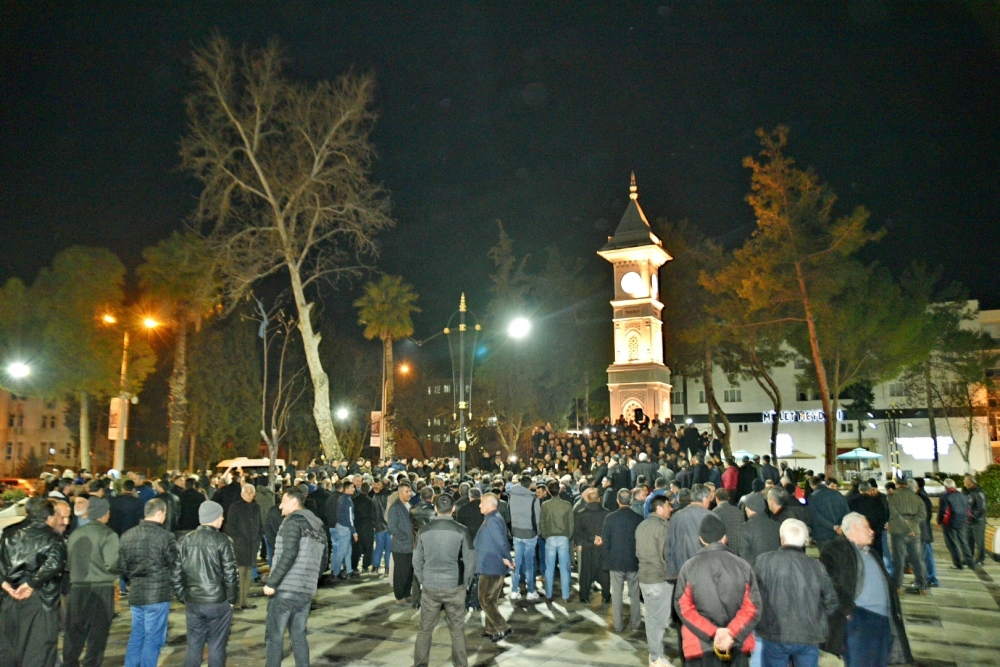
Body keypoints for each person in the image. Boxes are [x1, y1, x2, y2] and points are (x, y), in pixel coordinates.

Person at [820, 512, 911, 667]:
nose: (872, 531)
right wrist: (848, 610)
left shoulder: (871, 552)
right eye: (867, 527)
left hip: (883, 619)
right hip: (860, 617)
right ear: (855, 527)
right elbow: (828, 581)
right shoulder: (836, 547)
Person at [673, 514, 761, 667]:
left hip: (700, 646)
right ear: (724, 537)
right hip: (735, 645)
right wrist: (731, 633)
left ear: (701, 539)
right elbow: (752, 607)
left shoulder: (689, 567)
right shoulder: (743, 565)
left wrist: (713, 632)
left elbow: (684, 607)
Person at [753, 519, 838, 667]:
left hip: (774, 632)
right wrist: (818, 618)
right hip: (808, 634)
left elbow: (752, 595)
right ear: (805, 541)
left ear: (782, 538)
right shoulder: (816, 566)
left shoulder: (763, 561)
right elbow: (831, 600)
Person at [263, 487, 328, 667]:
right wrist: (308, 578)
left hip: (286, 589)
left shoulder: (292, 522)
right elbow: (323, 561)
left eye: (283, 501)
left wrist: (272, 582)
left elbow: (289, 553)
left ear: (293, 502)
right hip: (306, 591)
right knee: (298, 636)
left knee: (274, 637)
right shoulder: (318, 527)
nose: (280, 506)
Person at [0, 497, 67, 667]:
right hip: (40, 598)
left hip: (9, 597)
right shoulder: (52, 537)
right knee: (39, 652)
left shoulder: (8, 532)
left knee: (9, 648)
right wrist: (31, 583)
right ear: (50, 517)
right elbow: (54, 563)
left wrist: (4, 583)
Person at [413, 493, 476, 667]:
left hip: (430, 585)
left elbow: (416, 560)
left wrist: (422, 580)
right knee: (457, 629)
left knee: (425, 629)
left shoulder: (424, 530)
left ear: (435, 509)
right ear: (453, 509)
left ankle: (420, 664)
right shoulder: (461, 530)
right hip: (454, 585)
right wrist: (466, 584)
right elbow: (470, 560)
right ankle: (461, 664)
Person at [176, 500, 239, 667]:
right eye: (221, 516)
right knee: (217, 645)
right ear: (215, 518)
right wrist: (232, 599)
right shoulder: (223, 540)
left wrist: (184, 596)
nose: (223, 519)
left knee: (194, 645)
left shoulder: (184, 541)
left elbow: (176, 573)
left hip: (194, 601)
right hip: (218, 601)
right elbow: (231, 573)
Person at [118, 498, 180, 667]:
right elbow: (174, 564)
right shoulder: (166, 536)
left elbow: (122, 566)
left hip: (137, 593)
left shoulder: (127, 535)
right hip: (158, 594)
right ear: (160, 513)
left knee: (137, 635)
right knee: (153, 639)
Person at [64, 497, 119, 667]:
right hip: (100, 589)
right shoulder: (108, 534)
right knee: (97, 635)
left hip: (77, 588)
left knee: (74, 632)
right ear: (103, 514)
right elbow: (113, 564)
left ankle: (69, 663)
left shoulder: (75, 534)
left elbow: (68, 562)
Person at [636, 494, 674, 667]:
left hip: (644, 576)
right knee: (659, 620)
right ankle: (656, 657)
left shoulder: (642, 525)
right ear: (659, 508)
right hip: (659, 578)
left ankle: (655, 654)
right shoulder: (663, 528)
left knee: (652, 618)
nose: (671, 509)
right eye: (668, 506)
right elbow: (665, 555)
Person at [602, 487, 644, 634]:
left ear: (617, 501)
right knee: (634, 593)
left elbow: (605, 542)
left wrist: (607, 559)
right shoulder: (638, 519)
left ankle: (618, 624)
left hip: (616, 561)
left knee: (617, 594)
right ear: (631, 501)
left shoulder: (610, 518)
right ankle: (635, 623)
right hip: (634, 561)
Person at [474, 493, 514, 642]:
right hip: (489, 563)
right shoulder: (492, 518)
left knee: (485, 599)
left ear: (490, 504)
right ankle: (490, 629)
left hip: (491, 565)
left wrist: (508, 559)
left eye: (482, 503)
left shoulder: (492, 520)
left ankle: (503, 627)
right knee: (490, 598)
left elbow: (501, 543)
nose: (479, 505)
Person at [223, 484, 262, 610]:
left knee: (248, 573)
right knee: (240, 573)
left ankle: (244, 601)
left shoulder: (256, 507)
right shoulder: (235, 507)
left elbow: (259, 524)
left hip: (252, 545)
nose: (250, 494)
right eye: (247, 492)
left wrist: (258, 538)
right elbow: (230, 527)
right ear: (242, 494)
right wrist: (238, 539)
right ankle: (237, 601)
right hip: (240, 546)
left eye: (252, 492)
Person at [887, 479, 927, 594]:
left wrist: (905, 526)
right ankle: (922, 586)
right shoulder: (917, 497)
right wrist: (912, 524)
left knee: (899, 559)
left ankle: (898, 586)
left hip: (898, 530)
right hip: (914, 532)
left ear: (898, 485)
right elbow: (922, 514)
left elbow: (894, 513)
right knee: (917, 559)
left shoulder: (892, 497)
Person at [666, 484, 713, 582]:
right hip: (706, 572)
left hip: (681, 572)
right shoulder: (712, 517)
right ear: (704, 499)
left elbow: (667, 547)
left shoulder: (676, 517)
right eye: (709, 498)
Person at [507, 474, 542, 602]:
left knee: (516, 562)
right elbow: (537, 519)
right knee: (529, 564)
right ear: (530, 484)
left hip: (516, 532)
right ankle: (531, 591)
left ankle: (514, 590)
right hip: (530, 533)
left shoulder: (512, 495)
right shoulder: (533, 499)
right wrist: (538, 532)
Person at [574, 487, 611, 604]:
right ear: (599, 499)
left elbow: (578, 531)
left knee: (586, 573)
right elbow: (609, 531)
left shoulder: (581, 514)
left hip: (587, 546)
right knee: (604, 573)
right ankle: (605, 595)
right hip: (602, 547)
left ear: (588, 500)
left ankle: (584, 596)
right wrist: (601, 538)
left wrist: (591, 538)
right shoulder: (607, 513)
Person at [540, 479, 574, 603]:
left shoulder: (545, 505)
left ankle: (548, 594)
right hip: (564, 538)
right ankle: (565, 595)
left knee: (549, 568)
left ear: (548, 491)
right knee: (564, 568)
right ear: (559, 490)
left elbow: (542, 522)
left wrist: (545, 535)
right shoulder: (567, 505)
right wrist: (568, 536)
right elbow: (571, 523)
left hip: (549, 538)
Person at [937, 478, 975, 570]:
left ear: (945, 486)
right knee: (963, 542)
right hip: (962, 521)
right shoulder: (963, 495)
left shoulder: (945, 497)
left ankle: (958, 564)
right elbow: (968, 508)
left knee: (952, 543)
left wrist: (939, 520)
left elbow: (942, 511)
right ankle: (971, 563)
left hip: (949, 523)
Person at [388, 482, 415, 603]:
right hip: (401, 546)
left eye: (410, 491)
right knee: (401, 573)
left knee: (409, 572)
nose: (409, 494)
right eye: (407, 491)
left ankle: (407, 593)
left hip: (411, 546)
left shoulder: (409, 505)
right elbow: (392, 527)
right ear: (400, 493)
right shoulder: (395, 507)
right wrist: (404, 537)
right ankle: (399, 596)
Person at [736, 494, 780, 567]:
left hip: (756, 574)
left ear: (749, 508)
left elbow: (744, 555)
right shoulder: (777, 525)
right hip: (775, 571)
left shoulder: (744, 528)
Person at [806, 477, 850, 548]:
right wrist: (841, 526)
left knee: (826, 557)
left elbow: (816, 516)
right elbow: (846, 512)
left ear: (812, 486)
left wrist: (833, 527)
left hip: (822, 535)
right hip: (839, 534)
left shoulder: (812, 497)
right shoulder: (838, 494)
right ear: (822, 483)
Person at [914, 478, 939, 587]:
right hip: (922, 532)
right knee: (923, 556)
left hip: (923, 533)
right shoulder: (922, 496)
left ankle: (931, 578)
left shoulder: (921, 498)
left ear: (917, 486)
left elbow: (925, 517)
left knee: (926, 556)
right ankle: (925, 577)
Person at [333, 482, 358, 579]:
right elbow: (350, 518)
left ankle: (349, 571)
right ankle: (336, 573)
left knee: (347, 550)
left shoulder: (341, 498)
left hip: (340, 525)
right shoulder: (348, 501)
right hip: (345, 528)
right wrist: (354, 531)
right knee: (343, 551)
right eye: (352, 487)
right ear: (346, 489)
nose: (354, 489)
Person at [963, 474, 987, 566]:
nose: (964, 481)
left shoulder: (978, 493)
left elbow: (982, 508)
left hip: (978, 522)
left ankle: (980, 559)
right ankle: (969, 558)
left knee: (979, 541)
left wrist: (973, 516)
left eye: (965, 480)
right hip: (968, 521)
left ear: (970, 482)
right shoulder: (967, 492)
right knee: (969, 540)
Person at [711, 489, 744, 553]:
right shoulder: (738, 511)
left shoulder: (715, 512)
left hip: (723, 550)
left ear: (716, 498)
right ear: (728, 498)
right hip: (738, 549)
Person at [371, 479, 392, 576]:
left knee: (378, 547)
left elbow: (373, 512)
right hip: (390, 527)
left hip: (379, 526)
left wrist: (374, 524)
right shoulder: (391, 497)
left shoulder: (375, 497)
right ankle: (388, 569)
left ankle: (375, 567)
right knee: (388, 549)